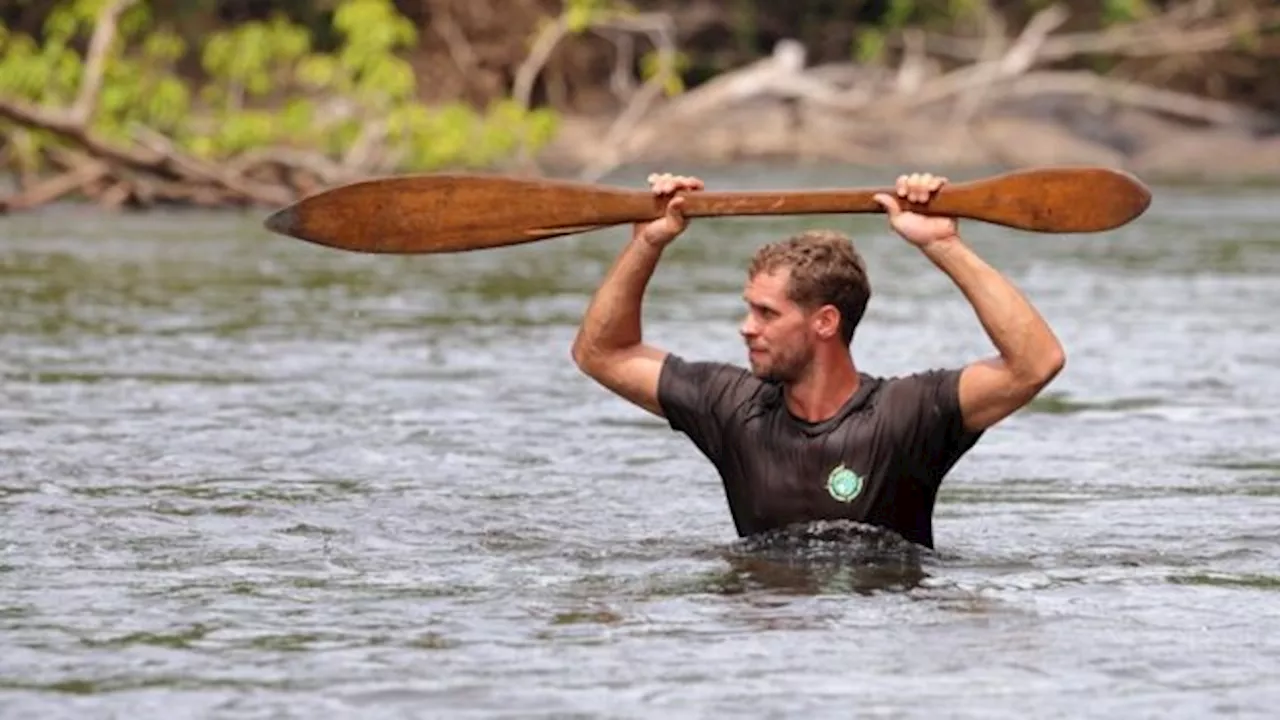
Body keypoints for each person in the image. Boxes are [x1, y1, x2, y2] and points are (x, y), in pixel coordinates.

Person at [570, 171, 1065, 550]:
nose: (746, 326)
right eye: (749, 308)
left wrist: (943, 245)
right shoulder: (729, 406)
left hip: (876, 640)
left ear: (825, 323)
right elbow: (602, 353)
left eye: (766, 312)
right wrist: (647, 243)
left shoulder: (908, 414)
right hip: (764, 641)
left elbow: (1035, 361)